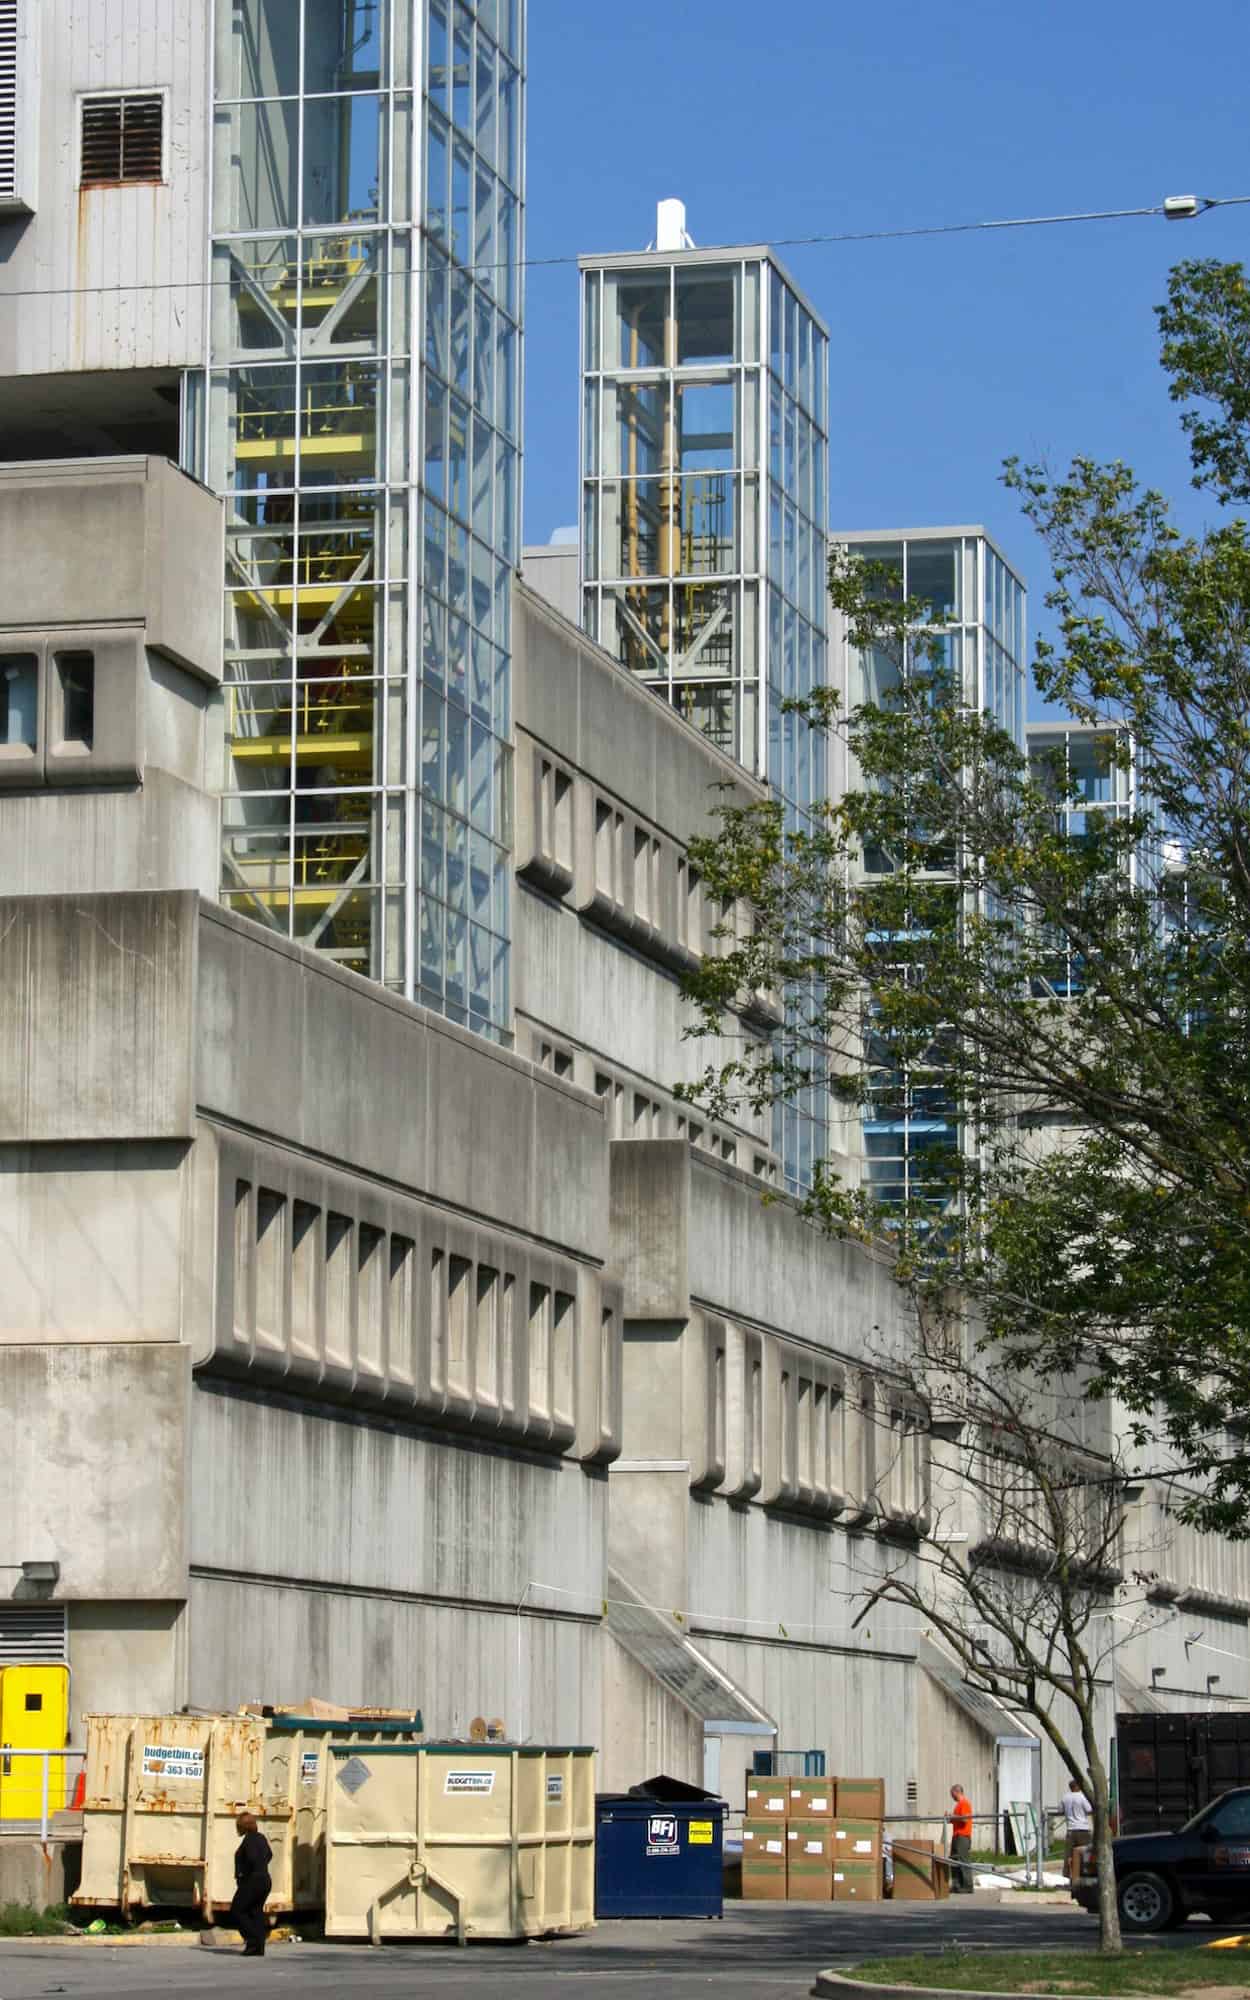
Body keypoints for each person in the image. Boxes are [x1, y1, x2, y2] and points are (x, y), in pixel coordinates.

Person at [229, 1811, 273, 1957]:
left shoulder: (249, 1840)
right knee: (255, 1911)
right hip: (265, 1879)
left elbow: (252, 1858)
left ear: (242, 1826)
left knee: (237, 1910)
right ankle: (258, 1947)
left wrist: (243, 1873)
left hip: (252, 1881)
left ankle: (253, 1940)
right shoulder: (260, 1838)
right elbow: (269, 1855)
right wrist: (261, 1866)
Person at [1061, 1777, 1094, 1883]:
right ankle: (1084, 1873)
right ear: (1078, 1786)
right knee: (1085, 1853)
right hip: (1082, 1828)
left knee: (1069, 1854)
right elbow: (1089, 1809)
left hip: (1070, 1828)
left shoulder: (1065, 1797)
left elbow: (1060, 1810)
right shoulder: (1082, 1797)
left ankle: (1066, 1876)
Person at [948, 1782, 974, 1893]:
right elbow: (958, 1819)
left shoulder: (965, 1803)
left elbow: (964, 1819)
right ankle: (957, 1885)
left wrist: (953, 1816)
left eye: (952, 1794)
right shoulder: (958, 1805)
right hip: (957, 1835)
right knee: (954, 1860)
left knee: (963, 1860)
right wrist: (950, 1818)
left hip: (963, 1836)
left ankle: (968, 1886)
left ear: (956, 1792)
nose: (951, 1796)